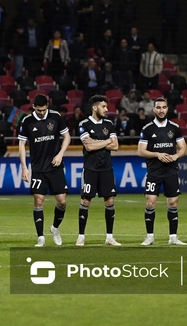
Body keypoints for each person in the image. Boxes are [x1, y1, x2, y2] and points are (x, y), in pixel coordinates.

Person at [19, 94, 71, 247]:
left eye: (44, 110)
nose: (41, 112)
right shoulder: (27, 121)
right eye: (39, 110)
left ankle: (55, 228)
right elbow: (22, 144)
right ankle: (40, 237)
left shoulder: (55, 117)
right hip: (38, 168)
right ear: (33, 106)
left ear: (47, 106)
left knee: (62, 202)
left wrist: (60, 154)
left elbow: (67, 137)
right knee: (38, 201)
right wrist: (24, 167)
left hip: (55, 166)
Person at [138, 97, 187, 246]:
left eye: (164, 107)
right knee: (150, 203)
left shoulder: (175, 128)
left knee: (173, 202)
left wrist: (176, 156)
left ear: (167, 109)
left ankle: (173, 237)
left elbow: (183, 147)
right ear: (154, 109)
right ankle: (150, 236)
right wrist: (157, 154)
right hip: (154, 172)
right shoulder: (147, 129)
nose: (161, 110)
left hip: (171, 171)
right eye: (158, 107)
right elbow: (140, 151)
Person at [76, 95, 120, 246]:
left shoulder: (109, 123)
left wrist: (97, 142)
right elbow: (89, 147)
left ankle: (109, 237)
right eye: (103, 106)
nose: (106, 109)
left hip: (106, 168)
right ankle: (81, 236)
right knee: (85, 200)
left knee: (110, 201)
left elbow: (116, 146)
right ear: (95, 107)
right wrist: (107, 140)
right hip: (90, 168)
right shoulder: (84, 124)